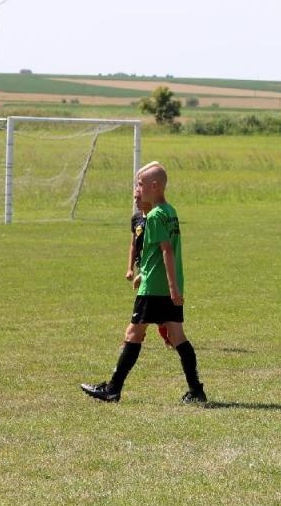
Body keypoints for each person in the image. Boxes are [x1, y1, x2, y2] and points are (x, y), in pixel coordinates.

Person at [81, 162, 207, 404]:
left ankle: (112, 389)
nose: (137, 189)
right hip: (164, 284)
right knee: (178, 336)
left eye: (140, 184)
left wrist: (170, 287)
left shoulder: (156, 216)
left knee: (133, 333)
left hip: (156, 289)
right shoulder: (170, 211)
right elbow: (156, 254)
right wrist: (149, 276)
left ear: (154, 186)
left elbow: (166, 251)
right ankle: (196, 390)